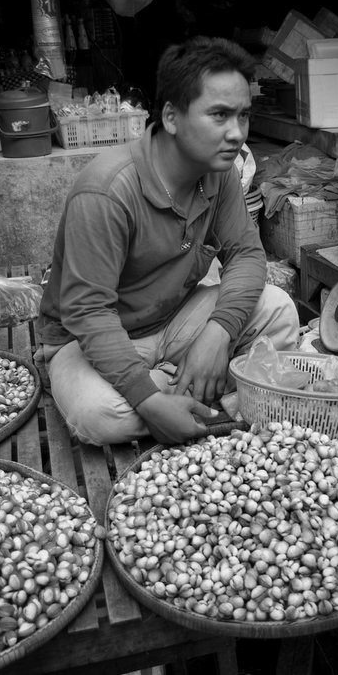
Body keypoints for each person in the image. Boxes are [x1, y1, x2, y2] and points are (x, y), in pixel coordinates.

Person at [36, 36, 299, 447]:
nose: (236, 133)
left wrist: (216, 334)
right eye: (219, 115)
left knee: (279, 309)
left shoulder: (219, 172)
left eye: (243, 116)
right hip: (91, 342)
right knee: (101, 416)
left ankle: (179, 389)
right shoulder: (107, 191)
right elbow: (88, 313)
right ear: (172, 117)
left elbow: (246, 254)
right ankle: (189, 397)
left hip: (173, 323)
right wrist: (147, 397)